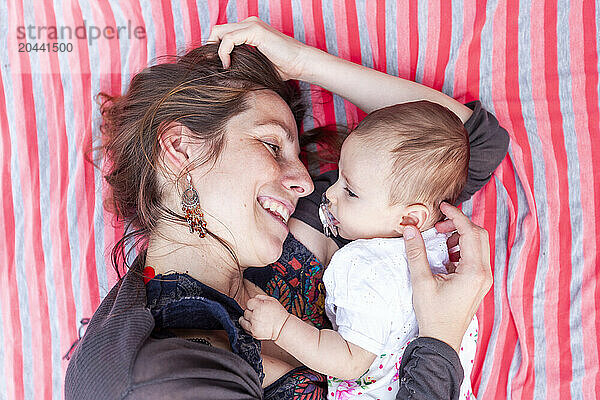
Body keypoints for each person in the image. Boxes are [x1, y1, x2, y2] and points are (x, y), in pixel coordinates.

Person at [64, 17, 504, 400]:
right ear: (181, 148)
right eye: (272, 145)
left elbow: (472, 147)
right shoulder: (146, 371)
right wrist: (440, 340)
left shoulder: (308, 232)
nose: (307, 181)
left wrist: (304, 63)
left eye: (296, 155)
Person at [239, 101, 479, 399]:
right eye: (339, 177)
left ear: (408, 219)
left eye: (349, 192)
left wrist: (282, 327)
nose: (328, 193)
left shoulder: (363, 265)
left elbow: (349, 362)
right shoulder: (440, 250)